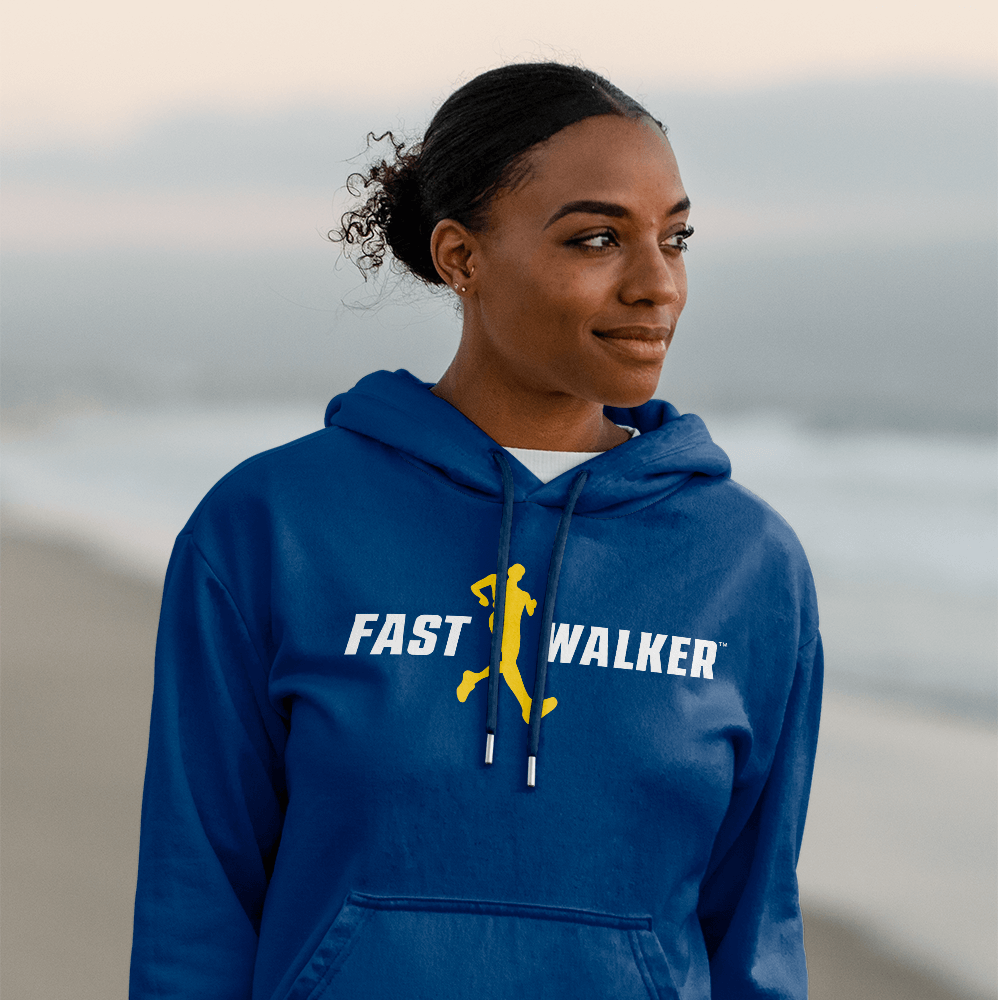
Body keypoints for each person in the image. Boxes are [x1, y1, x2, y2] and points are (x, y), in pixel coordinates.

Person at [130, 62, 822, 999]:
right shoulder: (270, 526)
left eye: (676, 238)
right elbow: (194, 905)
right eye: (596, 239)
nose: (658, 285)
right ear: (461, 257)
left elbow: (754, 932)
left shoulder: (747, 565)